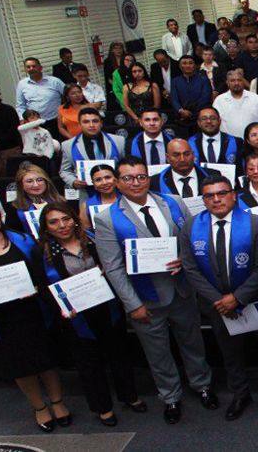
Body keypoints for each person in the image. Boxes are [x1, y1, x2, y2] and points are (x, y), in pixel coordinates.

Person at [92, 157, 217, 423]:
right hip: (145, 299)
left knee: (193, 343)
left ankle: (202, 385)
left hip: (182, 289)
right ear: (117, 182)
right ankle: (170, 397)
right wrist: (132, 304)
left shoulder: (172, 202)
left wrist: (186, 260)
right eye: (128, 178)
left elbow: (194, 237)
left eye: (141, 176)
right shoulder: (107, 218)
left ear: (149, 177)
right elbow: (112, 267)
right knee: (157, 353)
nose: (136, 182)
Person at [179, 176, 258, 421]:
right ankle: (241, 393)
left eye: (222, 193)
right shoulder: (191, 227)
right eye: (209, 195)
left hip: (257, 300)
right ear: (203, 200)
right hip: (217, 306)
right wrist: (220, 301)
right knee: (230, 354)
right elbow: (190, 269)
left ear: (233, 195)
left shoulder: (255, 223)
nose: (216, 199)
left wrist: (238, 298)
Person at [0, 198, 71, 432]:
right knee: (19, 365)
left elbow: (44, 273)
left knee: (46, 359)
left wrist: (37, 287)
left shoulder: (24, 241)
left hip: (33, 313)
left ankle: (57, 402)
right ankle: (39, 407)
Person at [37, 203, 146, 427]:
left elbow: (116, 264)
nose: (62, 225)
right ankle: (102, 407)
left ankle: (129, 396)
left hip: (107, 308)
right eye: (54, 222)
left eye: (65, 219)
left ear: (74, 219)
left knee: (119, 355)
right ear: (46, 227)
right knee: (89, 363)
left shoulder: (93, 239)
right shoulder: (43, 252)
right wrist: (61, 308)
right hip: (76, 316)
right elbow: (42, 287)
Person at [59, 109, 123, 188]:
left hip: (115, 191)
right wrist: (73, 181)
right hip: (86, 193)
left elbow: (125, 166)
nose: (91, 125)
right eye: (86, 122)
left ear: (101, 123)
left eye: (95, 121)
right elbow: (64, 170)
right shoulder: (68, 145)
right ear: (79, 125)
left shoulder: (119, 141)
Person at [15, 57, 66, 139]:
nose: (31, 69)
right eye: (28, 67)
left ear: (40, 68)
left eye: (34, 66)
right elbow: (20, 106)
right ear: (26, 70)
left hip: (56, 122)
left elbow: (68, 96)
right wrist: (22, 119)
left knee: (61, 148)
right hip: (35, 125)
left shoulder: (55, 81)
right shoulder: (22, 84)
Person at [7, 163, 65, 235]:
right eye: (29, 181)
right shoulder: (14, 208)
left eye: (39, 180)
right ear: (21, 185)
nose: (36, 185)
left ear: (46, 182)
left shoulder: (62, 203)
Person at [213, 69, 258, 137]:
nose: (236, 83)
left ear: (243, 82)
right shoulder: (219, 100)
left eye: (239, 80)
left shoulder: (255, 98)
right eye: (232, 81)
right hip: (229, 142)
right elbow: (214, 122)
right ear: (227, 83)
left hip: (253, 142)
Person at [170, 55, 214, 131]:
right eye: (184, 63)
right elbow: (174, 98)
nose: (187, 65)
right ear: (180, 66)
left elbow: (205, 97)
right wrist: (181, 110)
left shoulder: (203, 79)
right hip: (182, 118)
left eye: (190, 63)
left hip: (200, 117)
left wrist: (191, 112)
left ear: (195, 66)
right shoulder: (175, 81)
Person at [80, 164, 122, 231]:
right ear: (93, 184)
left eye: (108, 177)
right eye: (98, 180)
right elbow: (86, 232)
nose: (104, 182)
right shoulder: (86, 206)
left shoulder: (129, 199)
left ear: (116, 180)